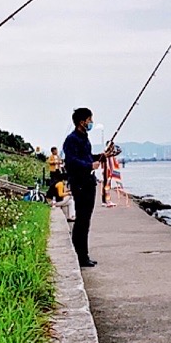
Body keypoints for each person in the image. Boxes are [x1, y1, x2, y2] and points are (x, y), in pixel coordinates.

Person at [63, 106, 101, 266]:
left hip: (88, 183)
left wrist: (102, 157)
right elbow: (71, 162)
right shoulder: (72, 139)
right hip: (80, 184)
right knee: (82, 220)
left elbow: (87, 157)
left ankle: (82, 255)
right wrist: (89, 166)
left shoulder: (84, 138)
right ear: (82, 122)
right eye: (89, 120)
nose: (91, 122)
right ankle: (81, 257)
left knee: (85, 220)